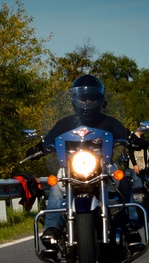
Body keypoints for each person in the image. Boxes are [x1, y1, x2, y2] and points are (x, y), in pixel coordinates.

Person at [25, 74, 137, 249]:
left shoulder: (109, 122)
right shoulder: (66, 123)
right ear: (75, 99)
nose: (88, 102)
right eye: (84, 98)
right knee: (56, 186)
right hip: (73, 168)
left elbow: (125, 133)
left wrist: (133, 139)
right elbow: (50, 137)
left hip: (103, 166)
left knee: (121, 179)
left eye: (92, 98)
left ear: (100, 99)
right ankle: (52, 228)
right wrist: (40, 146)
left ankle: (130, 225)